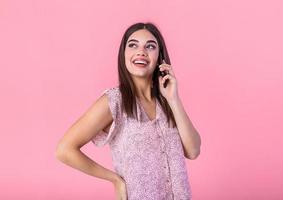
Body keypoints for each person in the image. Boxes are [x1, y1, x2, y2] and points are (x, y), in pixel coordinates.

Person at [55, 22, 201, 200]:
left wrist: (173, 99)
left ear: (160, 57)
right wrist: (114, 179)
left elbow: (193, 151)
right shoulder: (114, 101)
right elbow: (64, 150)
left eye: (150, 46)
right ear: (124, 54)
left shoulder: (167, 100)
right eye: (133, 45)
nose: (141, 51)